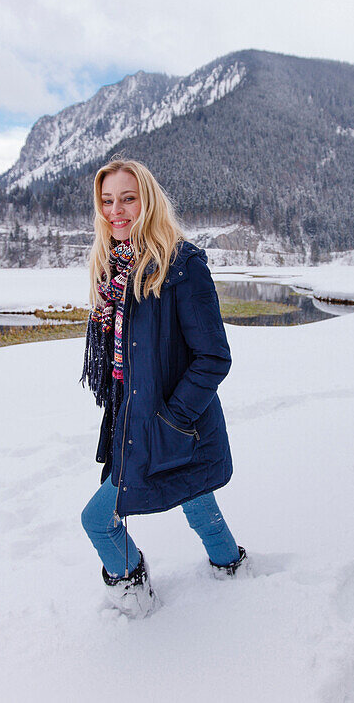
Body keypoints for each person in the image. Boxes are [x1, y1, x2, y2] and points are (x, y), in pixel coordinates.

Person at [79, 158, 246, 617]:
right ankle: (231, 568)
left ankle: (135, 601)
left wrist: (172, 421)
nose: (117, 209)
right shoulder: (110, 271)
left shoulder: (180, 266)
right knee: (196, 496)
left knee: (97, 520)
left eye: (128, 198)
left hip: (166, 425)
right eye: (107, 200)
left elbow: (213, 357)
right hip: (133, 421)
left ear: (147, 200)